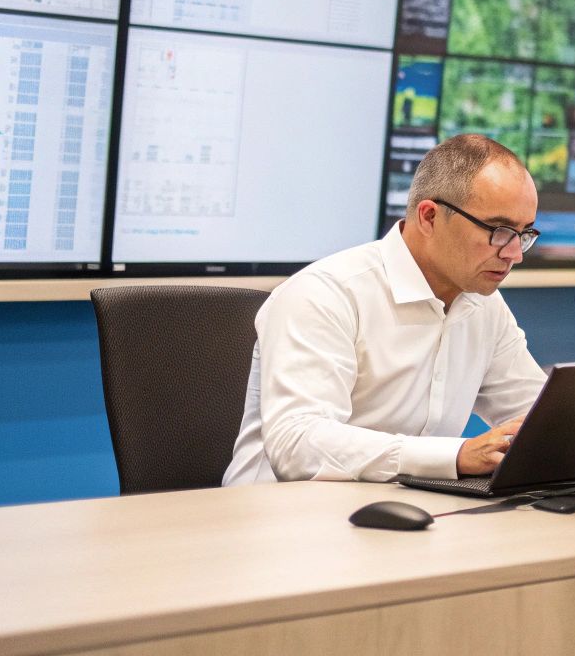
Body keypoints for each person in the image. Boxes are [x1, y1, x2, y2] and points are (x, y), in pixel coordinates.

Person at [224, 134, 547, 485]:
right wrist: (454, 456)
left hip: (406, 511)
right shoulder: (326, 292)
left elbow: (540, 418)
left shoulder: (483, 304)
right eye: (498, 231)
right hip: (280, 518)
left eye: (524, 233)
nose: (514, 253)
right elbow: (298, 445)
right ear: (429, 217)